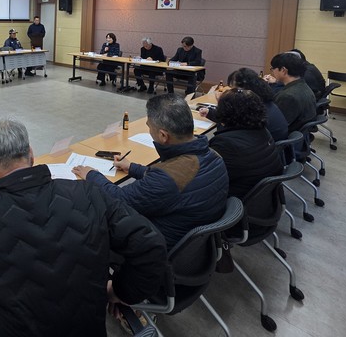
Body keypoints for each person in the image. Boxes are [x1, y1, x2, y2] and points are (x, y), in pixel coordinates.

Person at [0, 118, 168, 337]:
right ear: (31, 154)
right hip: (87, 328)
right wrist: (121, 291)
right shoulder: (89, 193)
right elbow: (151, 243)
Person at [73, 94, 229, 249]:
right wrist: (132, 167)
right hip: (195, 241)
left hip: (158, 244)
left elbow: (119, 200)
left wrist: (92, 175)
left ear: (163, 135)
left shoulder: (166, 179)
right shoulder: (214, 156)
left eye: (149, 127)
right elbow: (172, 176)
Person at [207, 89, 284, 199]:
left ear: (224, 112)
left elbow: (208, 178)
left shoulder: (225, 143)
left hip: (237, 199)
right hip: (263, 196)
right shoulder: (263, 131)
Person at [199, 67, 288, 141]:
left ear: (243, 88)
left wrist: (222, 103)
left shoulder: (254, 108)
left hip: (256, 148)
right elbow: (233, 117)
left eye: (233, 88)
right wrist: (210, 112)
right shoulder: (260, 100)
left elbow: (227, 129)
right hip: (268, 147)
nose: (232, 92)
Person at [269, 52, 317, 136]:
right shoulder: (303, 85)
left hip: (283, 136)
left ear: (283, 70)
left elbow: (274, 125)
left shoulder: (288, 96)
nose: (272, 72)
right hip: (297, 132)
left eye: (273, 68)